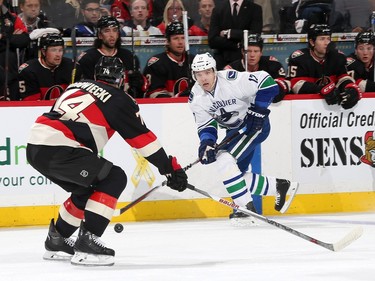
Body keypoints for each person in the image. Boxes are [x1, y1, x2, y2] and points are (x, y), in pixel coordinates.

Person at [26, 56, 188, 266]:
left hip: (35, 146)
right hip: (62, 147)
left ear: (96, 75)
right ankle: (88, 242)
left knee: (86, 190)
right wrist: (169, 169)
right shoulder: (119, 99)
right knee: (114, 177)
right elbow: (142, 140)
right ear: (121, 79)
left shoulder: (77, 85)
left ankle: (58, 239)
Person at [188, 52, 299, 223]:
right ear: (194, 75)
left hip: (254, 127)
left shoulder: (232, 80)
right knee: (234, 174)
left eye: (207, 72)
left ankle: (246, 209)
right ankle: (279, 186)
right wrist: (207, 144)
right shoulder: (196, 97)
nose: (204, 78)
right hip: (233, 133)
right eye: (199, 74)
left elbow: (267, 83)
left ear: (214, 71)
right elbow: (206, 125)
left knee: (224, 160)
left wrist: (259, 111)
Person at [287, 24, 361, 110]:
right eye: (322, 39)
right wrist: (321, 89)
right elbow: (296, 85)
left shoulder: (338, 57)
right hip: (304, 108)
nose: (327, 43)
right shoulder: (299, 58)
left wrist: (350, 88)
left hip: (331, 112)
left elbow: (343, 78)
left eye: (328, 39)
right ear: (312, 42)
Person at [76, 15, 147, 98]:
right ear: (100, 35)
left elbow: (139, 93)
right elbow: (81, 91)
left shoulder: (129, 57)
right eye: (107, 31)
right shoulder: (87, 58)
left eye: (115, 30)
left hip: (124, 103)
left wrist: (139, 85)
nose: (111, 35)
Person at [224, 33, 290, 103]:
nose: (252, 55)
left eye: (256, 51)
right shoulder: (230, 70)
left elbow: (283, 84)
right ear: (242, 52)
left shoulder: (272, 64)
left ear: (261, 52)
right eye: (248, 51)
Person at [143, 21, 194, 98]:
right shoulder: (157, 63)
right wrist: (179, 97)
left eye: (183, 38)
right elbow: (155, 94)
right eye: (175, 38)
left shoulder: (194, 61)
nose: (180, 42)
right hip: (165, 108)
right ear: (167, 41)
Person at [208, 0, 263, 70]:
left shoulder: (255, 9)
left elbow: (255, 34)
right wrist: (237, 44)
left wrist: (230, 33)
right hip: (223, 61)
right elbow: (212, 40)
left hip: (245, 63)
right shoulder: (218, 9)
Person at [18, 33, 74, 100]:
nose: (58, 54)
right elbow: (31, 104)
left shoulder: (72, 66)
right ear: (43, 52)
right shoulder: (28, 71)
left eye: (60, 50)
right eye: (53, 50)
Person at [0, 0, 29, 100]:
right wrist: (11, 37)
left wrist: (4, 37)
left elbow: (24, 40)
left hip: (10, 72)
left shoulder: (12, 17)